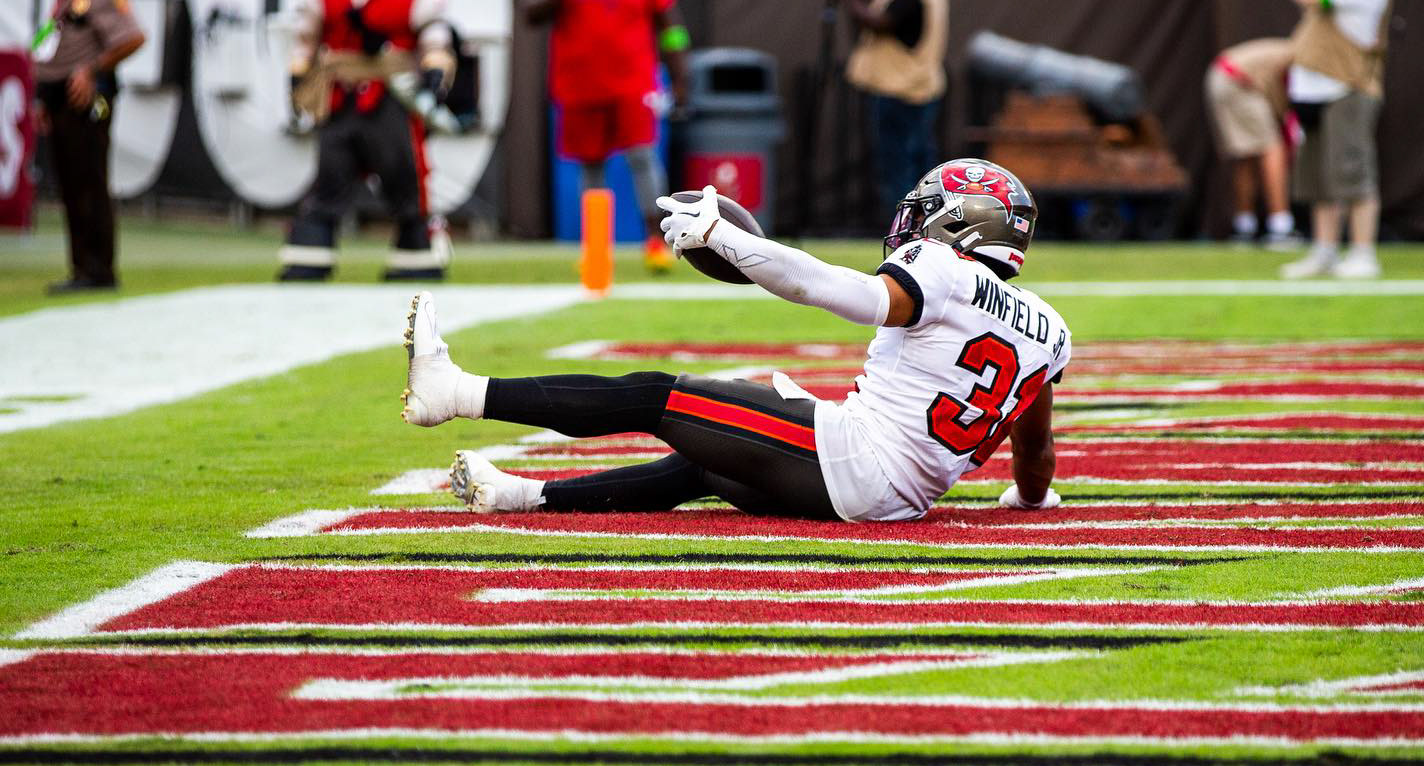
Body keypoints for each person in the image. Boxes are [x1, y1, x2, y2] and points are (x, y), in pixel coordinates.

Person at [399, 158, 1071, 524]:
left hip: (852, 460)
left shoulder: (944, 269)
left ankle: (454, 392)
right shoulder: (1049, 331)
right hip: (898, 499)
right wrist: (1030, 500)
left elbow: (844, 293)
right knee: (705, 462)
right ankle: (524, 497)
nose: (912, 227)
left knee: (656, 396)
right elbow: (1035, 454)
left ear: (958, 224)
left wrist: (721, 236)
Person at [279, 0, 459, 282]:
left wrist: (434, 73)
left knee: (403, 173)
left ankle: (415, 252)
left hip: (390, 95)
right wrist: (297, 75)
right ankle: (310, 252)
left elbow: (436, 39)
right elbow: (305, 39)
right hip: (339, 94)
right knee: (330, 172)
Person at [521, 0, 689, 273]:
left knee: (643, 158)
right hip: (580, 87)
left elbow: (670, 25)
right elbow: (529, 11)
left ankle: (656, 241)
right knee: (590, 167)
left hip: (633, 84)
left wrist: (680, 75)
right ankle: (596, 249)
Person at [1275, 0, 1401, 280]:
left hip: (1348, 87)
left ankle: (1363, 252)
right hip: (1315, 90)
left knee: (1351, 173)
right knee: (1318, 178)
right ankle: (1325, 250)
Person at [31, 0, 146, 294]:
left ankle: (97, 270)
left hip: (91, 99)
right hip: (62, 97)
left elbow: (133, 37)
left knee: (88, 178)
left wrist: (91, 70)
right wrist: (44, 96)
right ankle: (83, 267)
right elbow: (52, 42)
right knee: (70, 180)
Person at [826, 0, 948, 214]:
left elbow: (879, 22)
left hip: (903, 91)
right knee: (916, 167)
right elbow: (882, 16)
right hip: (912, 88)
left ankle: (908, 232)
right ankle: (922, 229)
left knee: (902, 171)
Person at [1203, 38, 1297, 245]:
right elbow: (1284, 98)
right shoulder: (1301, 57)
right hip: (1238, 80)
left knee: (1246, 155)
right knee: (1272, 148)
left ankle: (1244, 225)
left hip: (1219, 77)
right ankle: (1281, 226)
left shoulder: (1286, 51)